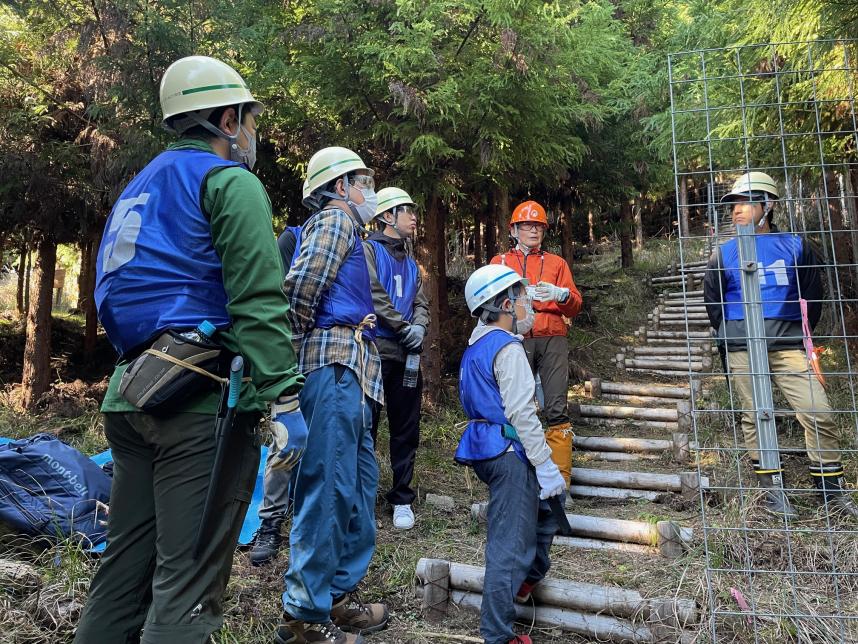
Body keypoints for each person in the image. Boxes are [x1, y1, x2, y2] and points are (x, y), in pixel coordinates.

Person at [76, 56, 306, 644]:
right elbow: (258, 298)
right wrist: (283, 399)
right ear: (227, 120)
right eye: (249, 119)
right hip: (199, 407)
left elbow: (115, 290)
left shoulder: (141, 183)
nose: (252, 133)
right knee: (188, 585)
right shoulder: (229, 182)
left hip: (133, 392)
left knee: (122, 572)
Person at [275, 147, 388, 644]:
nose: (369, 192)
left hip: (356, 373)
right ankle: (303, 616)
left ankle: (336, 595)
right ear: (340, 187)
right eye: (362, 181)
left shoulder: (352, 230)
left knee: (359, 488)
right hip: (333, 368)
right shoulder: (335, 221)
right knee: (328, 489)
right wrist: (305, 344)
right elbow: (299, 292)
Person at [704, 171, 858, 518]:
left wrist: (795, 332)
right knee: (756, 416)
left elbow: (812, 296)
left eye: (745, 202)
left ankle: (830, 492)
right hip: (743, 346)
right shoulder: (723, 253)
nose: (736, 211)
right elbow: (714, 303)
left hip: (788, 344)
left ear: (767, 204)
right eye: (733, 205)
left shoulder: (796, 245)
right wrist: (732, 337)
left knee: (818, 411)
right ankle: (772, 492)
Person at [457, 264, 567, 644]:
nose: (528, 306)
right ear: (505, 304)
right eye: (522, 299)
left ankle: (525, 581)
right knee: (510, 546)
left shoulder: (476, 344)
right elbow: (522, 415)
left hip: (489, 449)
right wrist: (546, 465)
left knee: (546, 513)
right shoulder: (507, 347)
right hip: (508, 450)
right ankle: (497, 635)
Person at [489, 201, 582, 487]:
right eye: (527, 225)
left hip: (552, 336)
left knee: (556, 407)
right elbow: (487, 304)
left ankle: (561, 480)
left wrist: (562, 295)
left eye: (539, 226)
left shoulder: (557, 263)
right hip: (513, 338)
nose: (534, 230)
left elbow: (575, 307)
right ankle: (518, 476)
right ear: (514, 229)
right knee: (515, 407)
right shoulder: (500, 263)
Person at [364, 187, 430, 530]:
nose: (414, 216)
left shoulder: (412, 262)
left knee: (406, 427)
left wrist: (417, 329)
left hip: (408, 356)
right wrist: (403, 328)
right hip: (376, 352)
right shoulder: (368, 251)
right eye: (408, 210)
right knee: (368, 427)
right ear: (388, 215)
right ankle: (363, 501)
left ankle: (402, 498)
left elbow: (421, 302)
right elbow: (374, 296)